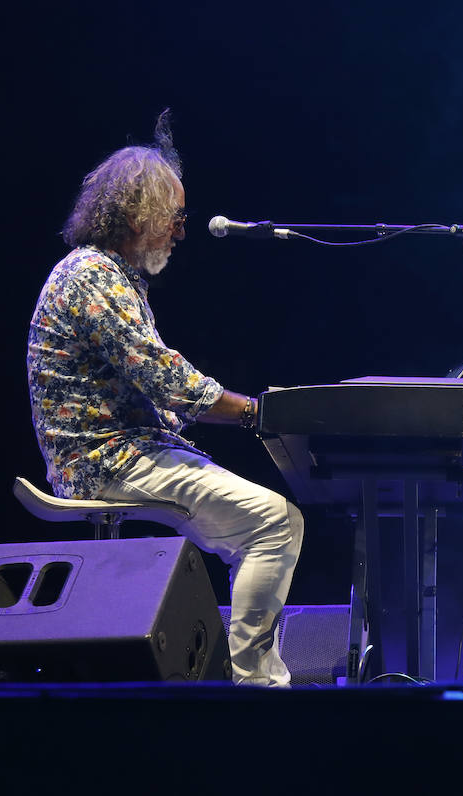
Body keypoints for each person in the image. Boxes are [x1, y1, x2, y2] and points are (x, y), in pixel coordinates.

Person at [27, 113, 302, 686]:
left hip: (123, 452)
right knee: (275, 522)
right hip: (109, 461)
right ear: (138, 215)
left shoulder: (110, 278)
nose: (180, 233)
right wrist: (259, 413)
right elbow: (165, 378)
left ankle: (245, 677)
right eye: (175, 218)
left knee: (268, 522)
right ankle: (255, 688)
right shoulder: (90, 277)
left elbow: (157, 390)